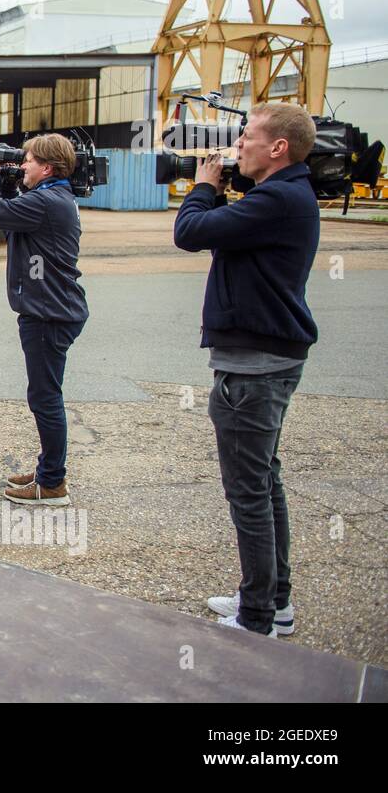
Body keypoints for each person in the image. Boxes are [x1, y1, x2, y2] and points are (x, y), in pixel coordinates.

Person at [173, 101, 320, 638]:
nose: (237, 146)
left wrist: (205, 184)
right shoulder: (281, 195)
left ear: (278, 147)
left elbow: (190, 231)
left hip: (253, 369)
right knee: (265, 482)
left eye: (248, 136)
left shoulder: (278, 198)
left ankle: (258, 618)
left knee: (249, 493)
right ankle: (272, 600)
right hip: (266, 358)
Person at [0, 134, 88, 507]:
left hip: (47, 314)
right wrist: (10, 183)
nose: (22, 165)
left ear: (47, 168)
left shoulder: (46, 201)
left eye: (29, 161)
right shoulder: (50, 198)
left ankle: (52, 483)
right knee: (45, 395)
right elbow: (10, 218)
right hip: (53, 310)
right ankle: (47, 471)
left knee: (45, 398)